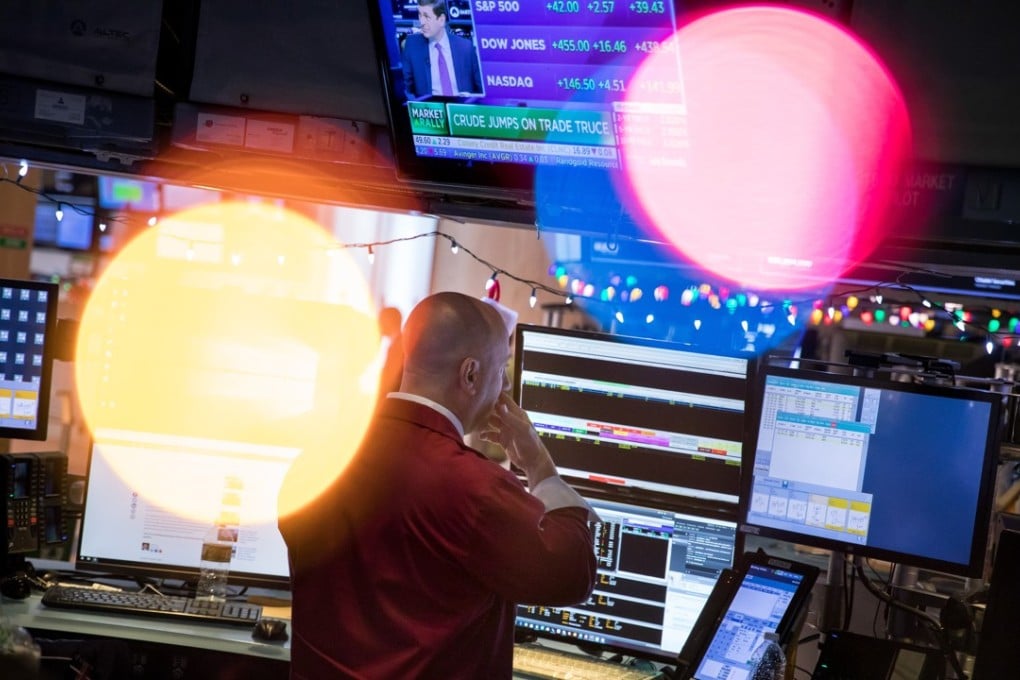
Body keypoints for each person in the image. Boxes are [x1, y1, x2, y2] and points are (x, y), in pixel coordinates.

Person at [279, 291, 597, 679]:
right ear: (471, 375)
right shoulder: (475, 487)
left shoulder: (316, 461)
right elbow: (570, 574)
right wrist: (540, 467)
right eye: (500, 370)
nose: (503, 387)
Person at [402, 0, 484, 99]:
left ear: (441, 20)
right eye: (420, 15)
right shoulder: (412, 46)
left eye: (427, 17)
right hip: (429, 107)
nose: (422, 22)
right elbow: (406, 90)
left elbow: (481, 90)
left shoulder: (465, 47)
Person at [375, 306, 403, 403]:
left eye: (381, 320)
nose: (379, 325)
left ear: (388, 322)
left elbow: (390, 381)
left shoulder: (399, 347)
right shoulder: (396, 345)